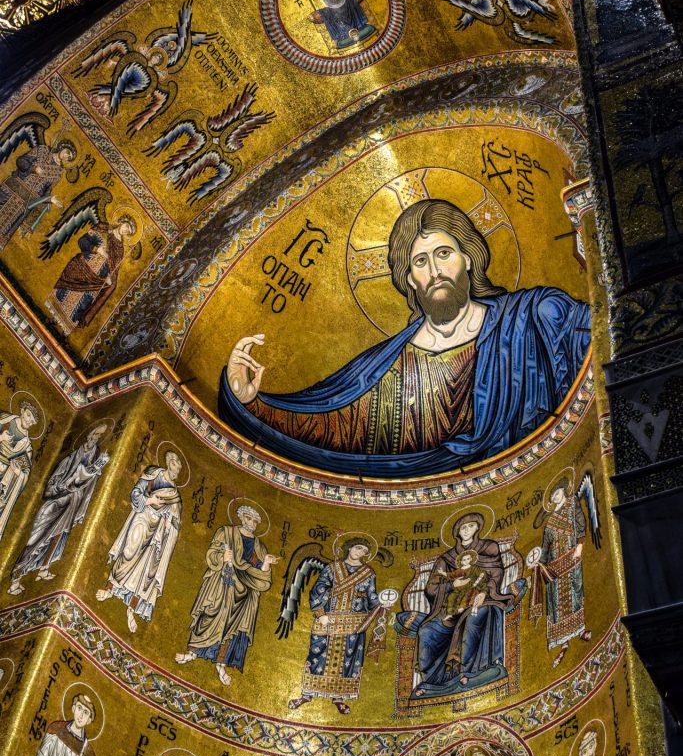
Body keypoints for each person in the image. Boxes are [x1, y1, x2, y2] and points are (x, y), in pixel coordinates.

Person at [220, 198, 591, 478]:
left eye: (444, 253)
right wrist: (252, 403)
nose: (435, 270)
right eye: (420, 261)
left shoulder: (533, 317)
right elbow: (332, 425)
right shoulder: (385, 366)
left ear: (468, 258)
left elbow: (596, 334)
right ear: (410, 279)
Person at [175, 504, 280, 686]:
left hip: (245, 592)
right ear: (241, 517)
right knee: (211, 614)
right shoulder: (226, 532)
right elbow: (212, 553)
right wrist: (222, 557)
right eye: (249, 518)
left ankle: (221, 665)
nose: (252, 523)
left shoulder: (259, 546)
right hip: (223, 583)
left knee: (233, 629)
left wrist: (266, 564)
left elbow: (261, 575)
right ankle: (192, 653)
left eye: (255, 521)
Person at [414, 513, 513, 695]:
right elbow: (431, 588)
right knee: (426, 631)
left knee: (473, 618)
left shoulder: (489, 548)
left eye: (471, 526)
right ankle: (431, 682)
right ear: (457, 532)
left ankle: (470, 672)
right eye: (463, 528)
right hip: (452, 606)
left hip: (482, 599)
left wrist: (484, 592)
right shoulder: (446, 558)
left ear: (478, 528)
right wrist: (452, 585)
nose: (467, 530)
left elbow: (496, 574)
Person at [288, 537, 386, 715]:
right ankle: (307, 694)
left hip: (353, 623)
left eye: (364, 551)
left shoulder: (368, 573)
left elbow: (372, 596)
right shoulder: (333, 568)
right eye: (357, 548)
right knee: (317, 654)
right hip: (328, 619)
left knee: (349, 658)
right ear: (349, 548)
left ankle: (339, 697)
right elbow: (318, 589)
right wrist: (321, 614)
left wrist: (382, 603)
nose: (360, 553)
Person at [8, 423, 109, 593]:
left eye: (99, 436)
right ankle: (15, 577)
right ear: (88, 435)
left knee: (58, 536)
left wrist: (92, 471)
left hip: (72, 502)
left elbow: (85, 485)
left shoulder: (92, 462)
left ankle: (44, 568)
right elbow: (51, 486)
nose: (96, 438)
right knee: (36, 539)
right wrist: (62, 487)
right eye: (94, 433)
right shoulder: (68, 460)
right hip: (56, 502)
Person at [96, 451, 182, 633]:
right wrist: (149, 500)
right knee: (129, 551)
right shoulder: (153, 474)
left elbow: (175, 519)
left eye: (179, 469)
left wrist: (169, 524)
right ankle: (109, 589)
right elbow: (135, 493)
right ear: (169, 463)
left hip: (158, 531)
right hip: (143, 517)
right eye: (175, 466)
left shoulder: (175, 495)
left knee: (146, 570)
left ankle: (132, 608)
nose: (177, 471)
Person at [529, 476, 592, 668]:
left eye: (556, 493)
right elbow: (545, 547)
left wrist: (580, 546)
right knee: (556, 602)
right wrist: (538, 564)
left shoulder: (572, 504)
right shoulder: (549, 521)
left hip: (571, 557)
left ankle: (579, 629)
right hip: (555, 566)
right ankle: (563, 641)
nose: (555, 497)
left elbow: (580, 524)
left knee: (575, 592)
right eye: (552, 496)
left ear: (563, 491)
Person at [46, 214, 137, 334]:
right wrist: (96, 249)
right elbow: (82, 241)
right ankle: (54, 319)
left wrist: (110, 278)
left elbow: (114, 269)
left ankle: (65, 329)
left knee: (81, 305)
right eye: (127, 226)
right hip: (82, 268)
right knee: (66, 294)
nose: (126, 230)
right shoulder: (103, 229)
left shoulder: (120, 249)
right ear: (122, 221)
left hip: (96, 281)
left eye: (128, 231)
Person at [0, 139, 76, 249]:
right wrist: (33, 168)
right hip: (12, 189)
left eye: (68, 157)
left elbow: (47, 191)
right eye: (67, 152)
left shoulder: (58, 173)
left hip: (26, 203)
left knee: (6, 228)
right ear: (63, 146)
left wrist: (50, 200)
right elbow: (20, 161)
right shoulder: (43, 150)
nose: (65, 156)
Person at [0, 400, 39, 542]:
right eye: (28, 415)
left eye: (32, 421)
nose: (29, 421)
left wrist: (18, 473)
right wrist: (1, 437)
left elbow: (25, 471)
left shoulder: (26, 445)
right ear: (22, 411)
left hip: (4, 475)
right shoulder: (5, 420)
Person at [444, 550, 486, 622]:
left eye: (468, 559)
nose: (466, 561)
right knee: (452, 596)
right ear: (461, 561)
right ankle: (450, 613)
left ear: (471, 559)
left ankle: (462, 607)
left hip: (471, 586)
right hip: (460, 588)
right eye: (464, 560)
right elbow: (452, 575)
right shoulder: (459, 570)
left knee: (468, 594)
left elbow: (481, 575)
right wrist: (443, 573)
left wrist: (480, 578)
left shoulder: (474, 568)